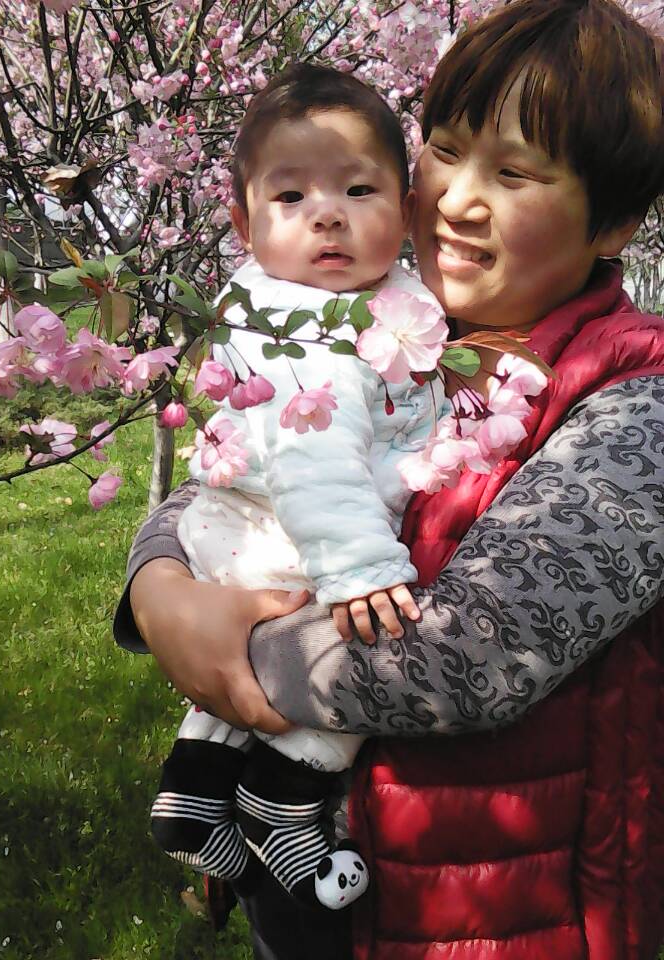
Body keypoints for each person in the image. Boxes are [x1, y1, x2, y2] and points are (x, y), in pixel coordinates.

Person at [114, 1, 664, 957]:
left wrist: (226, 651)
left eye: (515, 173)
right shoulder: (389, 322)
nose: (456, 200)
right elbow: (242, 475)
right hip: (306, 884)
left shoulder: (637, 400)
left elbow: (471, 657)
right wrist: (159, 589)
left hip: (489, 914)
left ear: (614, 220)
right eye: (444, 152)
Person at [150, 63, 448, 912]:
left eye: (358, 189)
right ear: (244, 224)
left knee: (243, 672)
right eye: (291, 197)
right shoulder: (299, 328)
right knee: (365, 643)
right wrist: (360, 568)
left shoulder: (379, 297)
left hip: (251, 528)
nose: (328, 214)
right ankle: (284, 801)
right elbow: (314, 455)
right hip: (291, 534)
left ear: (405, 209)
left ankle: (192, 793)